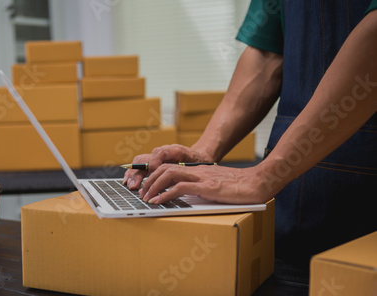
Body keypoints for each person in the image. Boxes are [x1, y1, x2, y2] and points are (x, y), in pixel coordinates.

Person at [124, 0, 377, 263]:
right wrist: (203, 151)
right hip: (288, 196)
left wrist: (264, 176)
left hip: (360, 193)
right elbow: (268, 53)